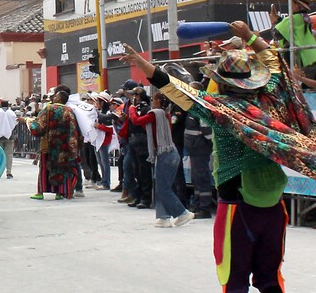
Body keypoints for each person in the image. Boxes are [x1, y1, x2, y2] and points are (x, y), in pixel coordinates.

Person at [121, 20, 316, 293]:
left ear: (222, 82)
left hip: (237, 208)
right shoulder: (270, 99)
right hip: (273, 208)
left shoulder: (219, 109)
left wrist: (142, 63)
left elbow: (175, 88)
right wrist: (249, 36)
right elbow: (274, 63)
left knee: (234, 281)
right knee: (270, 279)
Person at [129, 92, 195, 228]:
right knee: (162, 187)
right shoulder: (165, 114)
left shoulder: (156, 113)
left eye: (153, 99)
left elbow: (136, 121)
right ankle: (163, 217)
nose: (152, 102)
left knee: (163, 188)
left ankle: (182, 213)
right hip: (168, 152)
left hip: (166, 153)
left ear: (159, 101)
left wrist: (131, 109)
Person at [29, 90, 79, 200]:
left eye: (56, 96)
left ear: (59, 98)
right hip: (63, 146)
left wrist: (29, 122)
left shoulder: (48, 108)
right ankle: (59, 192)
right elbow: (73, 129)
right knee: (62, 168)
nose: (54, 97)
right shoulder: (69, 111)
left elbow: (39, 125)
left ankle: (40, 192)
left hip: (48, 144)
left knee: (44, 168)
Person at [183, 82, 214, 219]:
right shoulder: (192, 108)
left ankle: (204, 207)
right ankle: (197, 204)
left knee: (201, 177)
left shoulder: (200, 109)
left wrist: (209, 144)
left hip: (200, 149)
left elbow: (207, 131)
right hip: (194, 149)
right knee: (196, 178)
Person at [271, 0, 316, 76]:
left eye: (291, 3)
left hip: (300, 59)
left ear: (297, 5)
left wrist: (274, 21)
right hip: (311, 56)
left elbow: (276, 33)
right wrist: (279, 20)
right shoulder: (304, 17)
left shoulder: (292, 19)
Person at [0, 100, 17, 179]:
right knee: (9, 155)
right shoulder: (11, 113)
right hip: (9, 136)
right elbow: (15, 122)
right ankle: (9, 172)